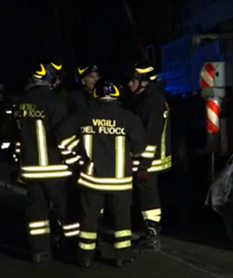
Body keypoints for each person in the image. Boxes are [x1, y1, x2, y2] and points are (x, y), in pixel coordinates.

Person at [56, 80, 151, 268]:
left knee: (89, 218)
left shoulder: (84, 115)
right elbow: (142, 148)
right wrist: (136, 167)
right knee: (121, 218)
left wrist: (78, 157)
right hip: (120, 181)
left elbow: (60, 135)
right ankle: (122, 255)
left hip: (92, 180)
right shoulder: (129, 118)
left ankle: (85, 256)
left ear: (96, 96)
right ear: (116, 95)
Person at [13, 61, 79, 263]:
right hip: (55, 169)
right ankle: (72, 249)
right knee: (66, 211)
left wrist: (19, 163)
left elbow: (17, 138)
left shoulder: (21, 103)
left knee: (37, 213)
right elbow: (64, 136)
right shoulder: (55, 103)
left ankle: (40, 251)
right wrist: (76, 160)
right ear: (49, 79)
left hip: (31, 170)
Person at [127, 62, 171, 252]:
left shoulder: (152, 102)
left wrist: (144, 165)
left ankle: (152, 235)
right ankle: (148, 232)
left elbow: (150, 136)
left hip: (151, 160)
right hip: (150, 159)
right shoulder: (147, 98)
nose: (129, 84)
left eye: (133, 80)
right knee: (145, 195)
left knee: (148, 196)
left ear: (143, 81)